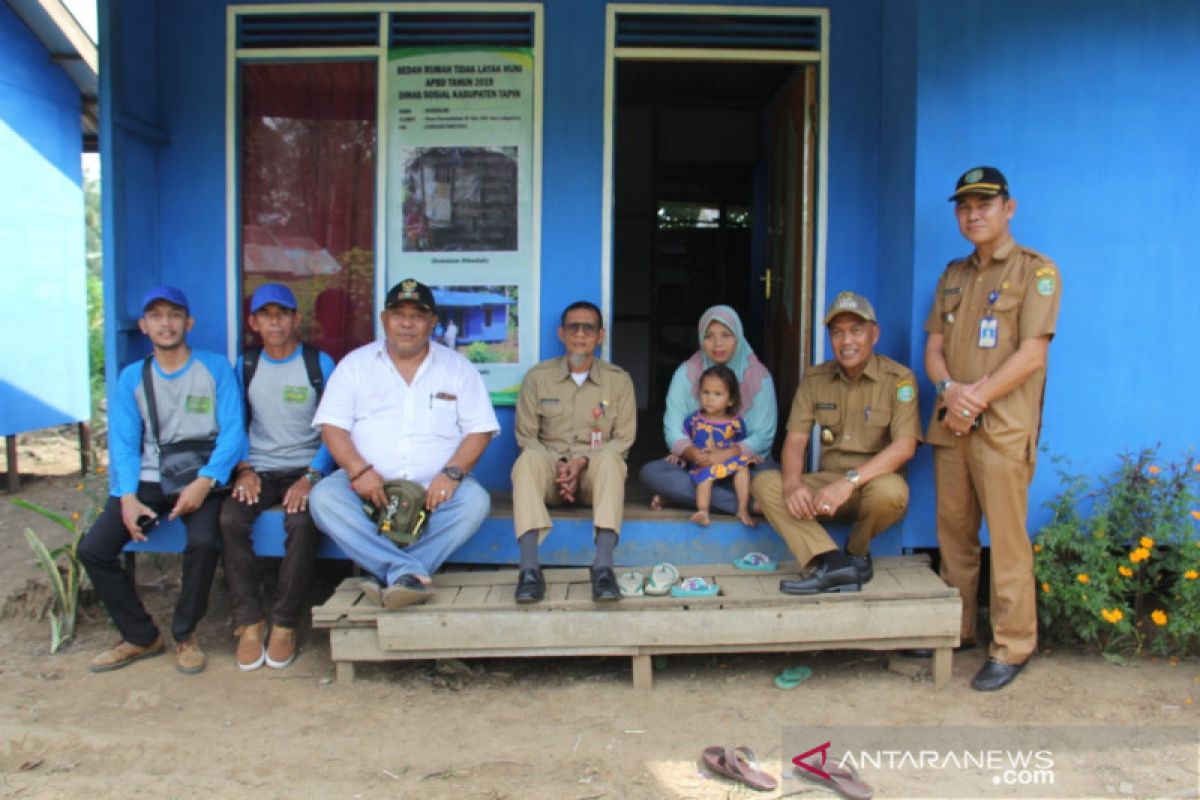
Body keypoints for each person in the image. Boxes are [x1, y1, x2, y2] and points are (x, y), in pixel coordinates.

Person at [924, 166, 1061, 692]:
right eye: (964, 206)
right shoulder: (953, 275)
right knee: (954, 536)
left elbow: (1032, 354)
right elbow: (934, 347)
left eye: (984, 203)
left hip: (1001, 429)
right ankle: (955, 630)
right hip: (952, 425)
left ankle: (1012, 644)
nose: (973, 213)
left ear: (1010, 208)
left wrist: (974, 397)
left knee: (1005, 540)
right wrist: (948, 393)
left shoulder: (1036, 272)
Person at [79, 286, 244, 674]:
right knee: (94, 549)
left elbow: (233, 433)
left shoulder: (215, 367)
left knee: (205, 541)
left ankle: (185, 634)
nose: (165, 323)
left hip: (203, 477)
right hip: (150, 481)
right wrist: (127, 496)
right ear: (143, 326)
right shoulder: (132, 377)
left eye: (173, 315)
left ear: (189, 323)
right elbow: (122, 442)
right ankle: (140, 636)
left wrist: (206, 481)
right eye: (156, 316)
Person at [308, 279, 498, 609]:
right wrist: (358, 470)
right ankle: (406, 572)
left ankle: (387, 572)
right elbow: (332, 428)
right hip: (370, 488)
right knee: (324, 498)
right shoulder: (355, 365)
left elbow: (479, 430)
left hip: (434, 490)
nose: (407, 323)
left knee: (475, 502)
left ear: (433, 322)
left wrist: (452, 474)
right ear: (384, 319)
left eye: (417, 315)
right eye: (399, 314)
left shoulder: (458, 369)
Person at [752, 291, 919, 595]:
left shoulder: (898, 379)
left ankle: (857, 550)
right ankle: (830, 561)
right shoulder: (815, 379)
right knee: (765, 483)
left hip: (872, 487)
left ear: (874, 334)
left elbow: (905, 447)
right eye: (837, 332)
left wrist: (850, 482)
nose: (846, 341)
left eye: (856, 330)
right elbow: (795, 442)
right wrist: (792, 484)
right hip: (825, 490)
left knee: (893, 491)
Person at [219, 284, 335, 671]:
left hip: (306, 468)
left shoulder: (320, 364)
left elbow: (335, 430)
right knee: (231, 519)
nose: (274, 322)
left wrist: (312, 476)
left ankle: (284, 622)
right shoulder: (245, 366)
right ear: (253, 322)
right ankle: (249, 622)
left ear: (295, 319)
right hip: (259, 469)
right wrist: (244, 469)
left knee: (302, 523)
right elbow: (233, 426)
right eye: (265, 315)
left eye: (282, 313)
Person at [510, 301, 637, 603]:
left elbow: (624, 439)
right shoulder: (537, 378)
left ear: (600, 335)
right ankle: (529, 569)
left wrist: (581, 463)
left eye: (588, 328)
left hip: (593, 478)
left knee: (611, 459)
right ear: (561, 333)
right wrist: (560, 465)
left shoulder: (618, 381)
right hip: (551, 476)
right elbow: (527, 436)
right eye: (573, 327)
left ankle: (603, 567)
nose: (580, 334)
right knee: (526, 461)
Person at [639, 305, 778, 517]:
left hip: (743, 464)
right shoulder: (686, 374)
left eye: (726, 335)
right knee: (652, 473)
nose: (717, 343)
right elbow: (673, 430)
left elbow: (763, 436)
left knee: (771, 477)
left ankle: (684, 497)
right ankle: (749, 505)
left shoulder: (759, 378)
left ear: (738, 337)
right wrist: (692, 453)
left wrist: (726, 454)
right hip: (697, 462)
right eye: (709, 336)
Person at [683, 365, 756, 527]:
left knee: (743, 468)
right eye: (705, 392)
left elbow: (740, 444)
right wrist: (677, 454)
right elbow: (685, 442)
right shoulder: (693, 420)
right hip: (704, 464)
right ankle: (703, 511)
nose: (710, 398)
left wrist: (750, 456)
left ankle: (743, 508)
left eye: (717, 394)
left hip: (727, 463)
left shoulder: (736, 423)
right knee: (706, 478)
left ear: (731, 400)